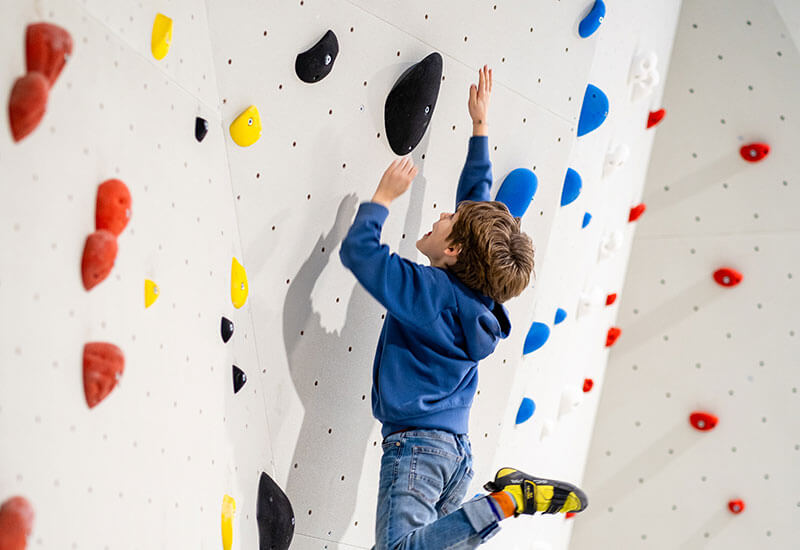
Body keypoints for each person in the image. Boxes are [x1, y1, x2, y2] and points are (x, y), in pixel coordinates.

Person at [340, 65, 588, 550]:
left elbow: (361, 254)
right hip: (453, 455)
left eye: (446, 219)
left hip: (417, 448)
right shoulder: (480, 299)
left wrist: (383, 198)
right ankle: (501, 503)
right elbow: (474, 206)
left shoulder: (428, 292)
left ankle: (504, 502)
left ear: (453, 252)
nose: (439, 215)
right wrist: (479, 128)